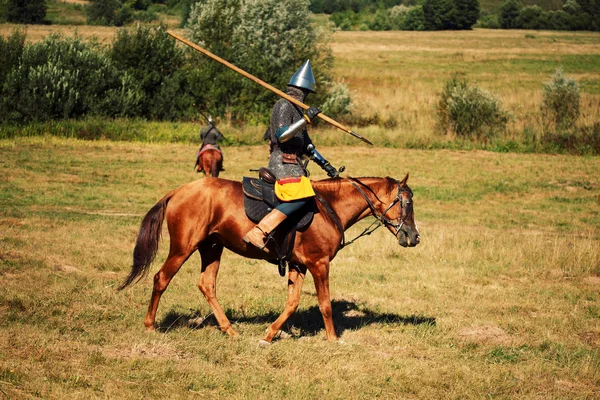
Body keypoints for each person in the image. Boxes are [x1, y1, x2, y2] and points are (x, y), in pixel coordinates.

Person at [243, 60, 340, 253]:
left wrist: (326, 165)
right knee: (303, 196)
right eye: (306, 93)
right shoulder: (283, 105)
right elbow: (281, 135)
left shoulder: (298, 111)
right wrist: (306, 120)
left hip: (295, 164)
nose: (305, 97)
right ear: (301, 90)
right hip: (281, 163)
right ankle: (260, 231)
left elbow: (308, 147)